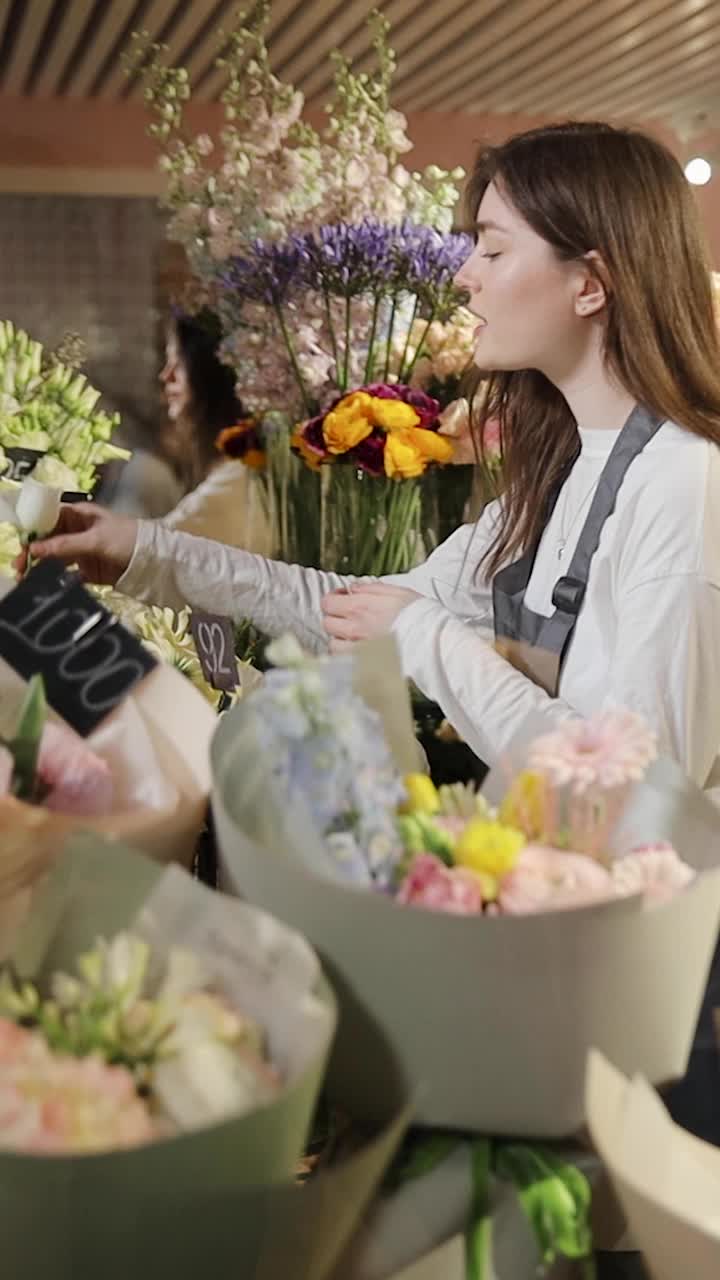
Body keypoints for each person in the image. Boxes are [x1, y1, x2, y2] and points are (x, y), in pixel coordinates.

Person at [111, 310, 272, 552]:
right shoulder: (236, 469)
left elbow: (158, 550)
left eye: (178, 361)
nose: (166, 375)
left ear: (209, 372)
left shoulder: (241, 476)